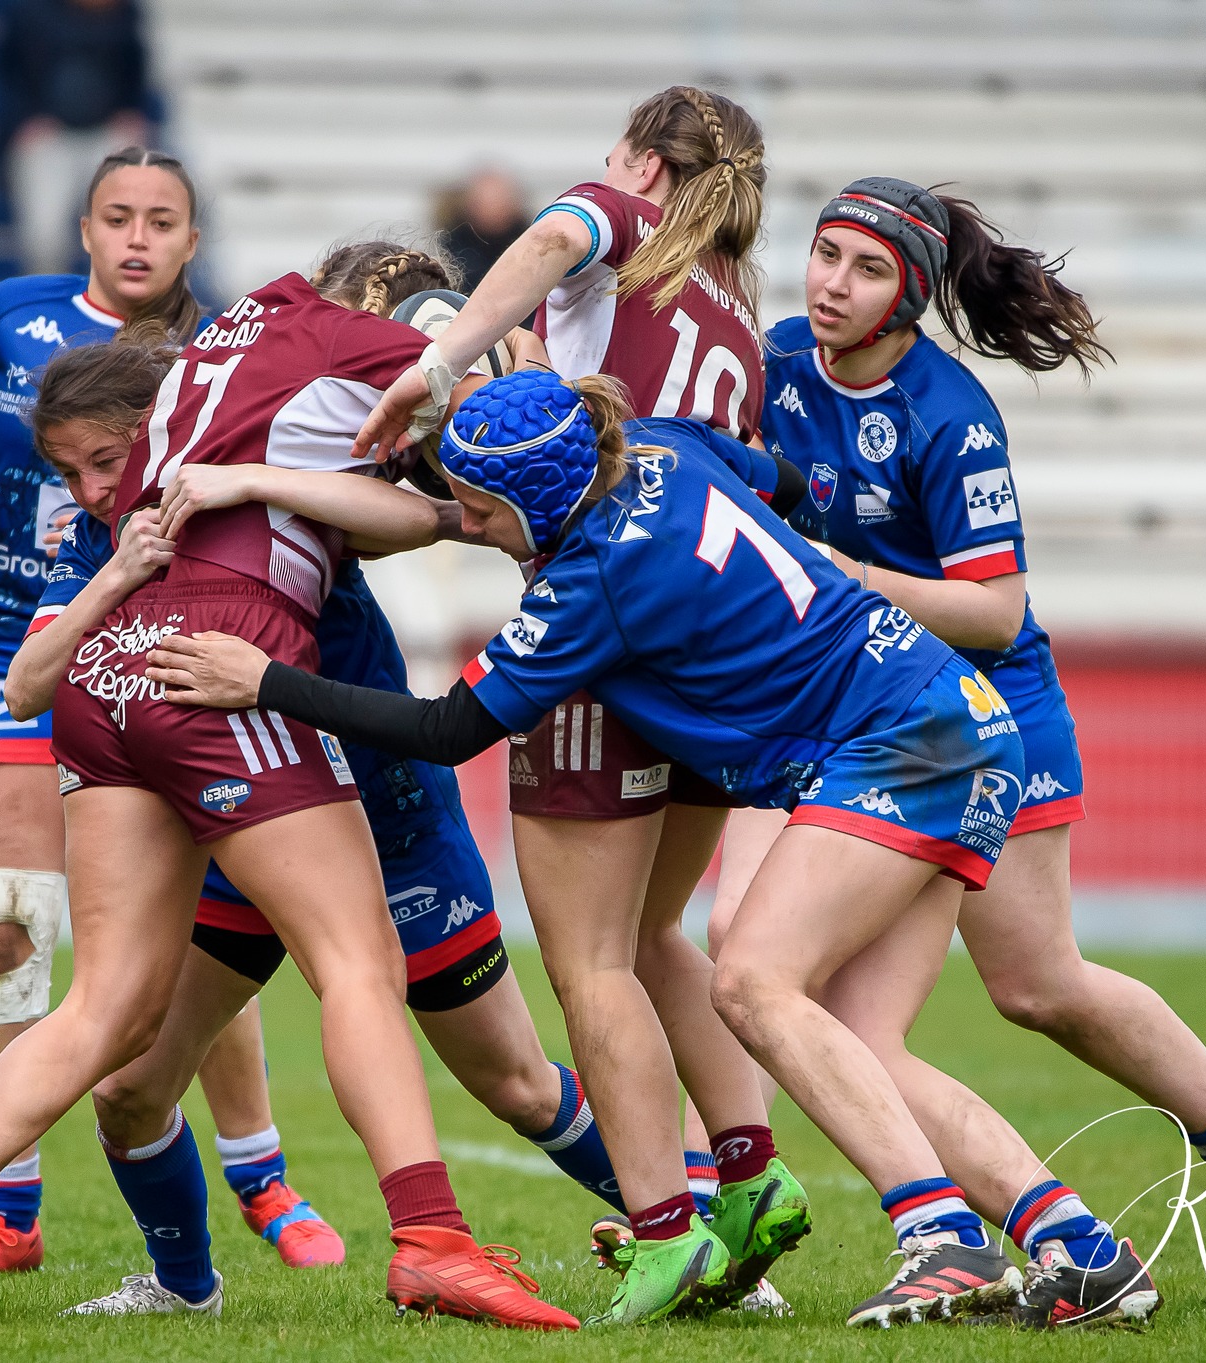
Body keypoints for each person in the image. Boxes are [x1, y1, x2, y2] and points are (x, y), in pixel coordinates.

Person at [146, 369, 1042, 1328]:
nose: (472, 526)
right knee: (794, 1002)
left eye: (483, 511)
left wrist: (265, 680)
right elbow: (786, 479)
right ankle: (1070, 1246)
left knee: (748, 981)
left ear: (535, 501)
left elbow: (450, 728)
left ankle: (937, 1237)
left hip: (904, 742)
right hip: (951, 715)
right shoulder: (661, 442)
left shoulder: (596, 577)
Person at [0, 262, 577, 1331]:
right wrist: (493, 384)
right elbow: (467, 402)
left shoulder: (197, 370)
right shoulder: (326, 337)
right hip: (218, 666)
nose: (98, 480)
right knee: (358, 964)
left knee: (105, 1006)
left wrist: (259, 484)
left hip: (107, 687)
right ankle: (430, 1239)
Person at [742, 176, 1206, 1323]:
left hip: (986, 706)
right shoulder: (772, 364)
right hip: (886, 720)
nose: (830, 284)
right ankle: (1064, 1230)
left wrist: (845, 579)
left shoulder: (947, 412)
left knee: (1034, 984)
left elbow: (997, 610)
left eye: (864, 270)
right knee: (873, 1023)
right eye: (822, 255)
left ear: (909, 295)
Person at [348, 87, 808, 1323]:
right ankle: (748, 1179)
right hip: (713, 657)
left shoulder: (624, 222)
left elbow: (551, 243)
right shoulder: (733, 311)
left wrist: (441, 363)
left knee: (589, 957)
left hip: (603, 629)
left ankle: (667, 1230)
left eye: (615, 151)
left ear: (642, 160)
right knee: (660, 940)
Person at [0, 146, 299, 1280]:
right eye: (118, 216)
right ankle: (9, 1211)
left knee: (182, 925)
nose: (139, 236)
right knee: (6, 926)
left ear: (192, 243)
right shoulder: (6, 316)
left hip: (147, 642)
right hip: (5, 647)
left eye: (163, 219)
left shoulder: (216, 351)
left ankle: (260, 1171)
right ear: (86, 231)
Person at [0, 0, 154, 276]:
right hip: (48, 135)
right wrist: (22, 119)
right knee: (44, 238)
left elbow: (135, 72)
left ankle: (121, 308)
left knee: (127, 229)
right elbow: (6, 72)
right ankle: (50, 306)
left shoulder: (126, 15)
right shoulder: (28, 15)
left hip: (107, 134)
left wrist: (131, 112)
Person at [435, 166, 531, 294]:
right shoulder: (450, 249)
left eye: (499, 199)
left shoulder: (530, 244)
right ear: (470, 204)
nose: (494, 208)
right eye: (486, 201)